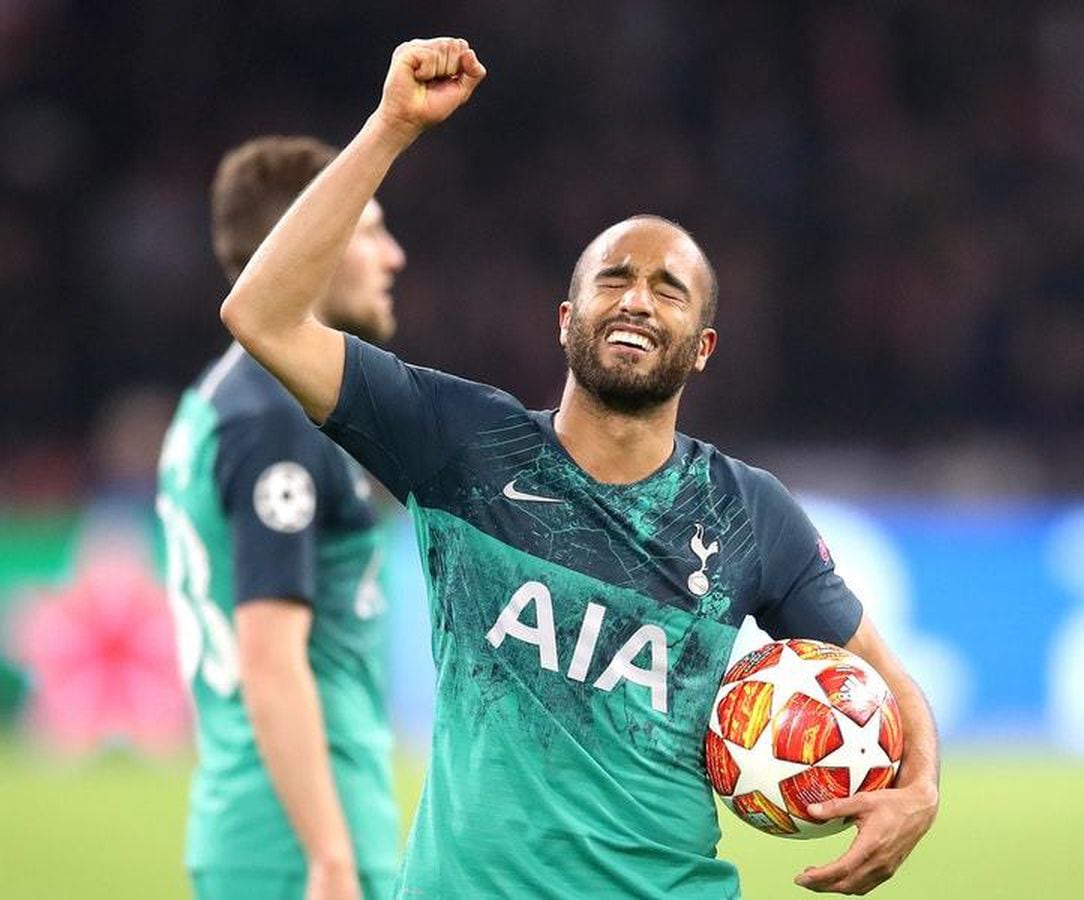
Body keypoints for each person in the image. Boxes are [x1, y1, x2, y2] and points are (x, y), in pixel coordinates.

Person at [220, 38, 940, 898]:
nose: (637, 297)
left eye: (668, 289)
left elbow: (886, 679)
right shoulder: (458, 442)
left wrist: (921, 791)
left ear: (702, 349)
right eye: (614, 279)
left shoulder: (748, 511)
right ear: (567, 319)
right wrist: (389, 129)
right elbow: (260, 315)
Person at [156, 135, 406, 900]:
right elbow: (270, 657)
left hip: (268, 829)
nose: (392, 256)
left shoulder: (224, 399)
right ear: (314, 237)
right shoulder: (271, 419)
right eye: (368, 230)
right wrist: (329, 857)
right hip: (294, 846)